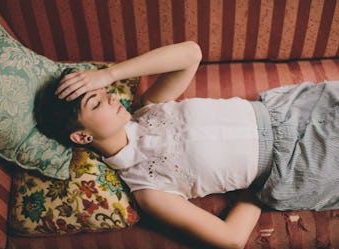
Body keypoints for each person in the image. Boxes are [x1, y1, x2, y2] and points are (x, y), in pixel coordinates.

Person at [36, 41, 339, 249]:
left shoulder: (149, 106)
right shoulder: (148, 191)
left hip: (292, 108)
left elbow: (191, 53)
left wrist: (109, 73)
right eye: (97, 102)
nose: (112, 96)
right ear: (82, 137)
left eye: (105, 91)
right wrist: (256, 190)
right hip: (295, 164)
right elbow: (231, 239)